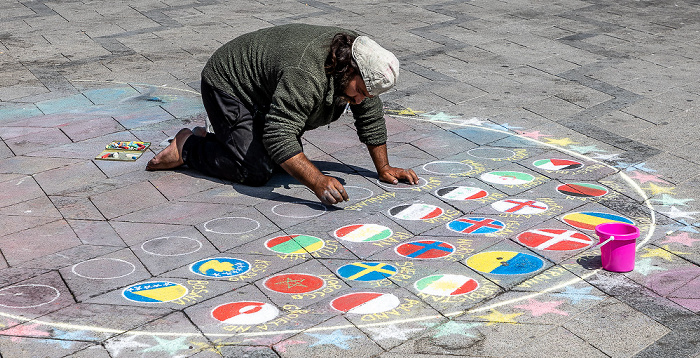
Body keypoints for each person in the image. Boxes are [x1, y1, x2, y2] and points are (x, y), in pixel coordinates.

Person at [146, 23, 418, 205]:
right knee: (255, 171)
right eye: (358, 90)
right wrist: (317, 181)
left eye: (366, 94)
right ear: (349, 70)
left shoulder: (363, 64)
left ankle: (227, 139)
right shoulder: (306, 74)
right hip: (230, 84)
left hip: (268, 91)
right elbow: (279, 135)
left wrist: (383, 168)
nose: (358, 100)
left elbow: (368, 112)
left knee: (280, 161)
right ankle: (188, 148)